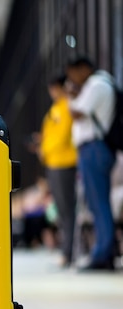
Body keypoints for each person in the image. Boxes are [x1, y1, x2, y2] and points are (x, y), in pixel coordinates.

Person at [66, 57, 117, 271]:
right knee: (99, 203)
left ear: (83, 68)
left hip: (94, 149)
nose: (72, 79)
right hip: (95, 149)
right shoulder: (101, 83)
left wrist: (71, 95)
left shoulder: (96, 84)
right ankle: (104, 251)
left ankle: (103, 254)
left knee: (99, 204)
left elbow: (76, 112)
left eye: (73, 74)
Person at [33, 75, 77, 267]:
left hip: (64, 162)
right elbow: (51, 136)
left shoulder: (66, 107)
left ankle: (69, 251)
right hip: (54, 162)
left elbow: (61, 137)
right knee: (62, 209)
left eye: (55, 88)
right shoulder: (55, 108)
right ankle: (67, 249)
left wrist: (45, 148)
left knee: (67, 209)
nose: (52, 92)